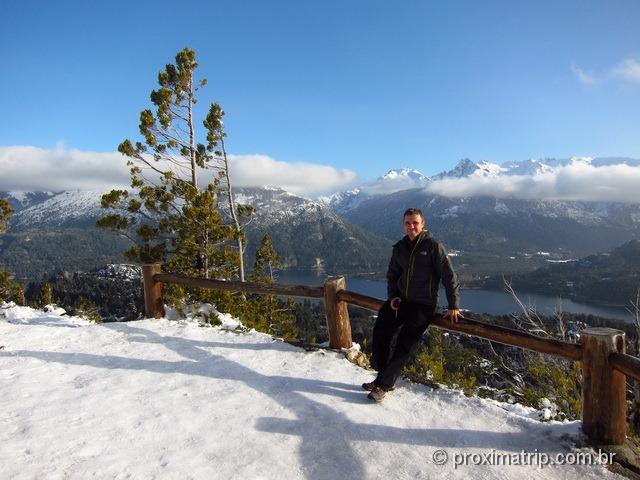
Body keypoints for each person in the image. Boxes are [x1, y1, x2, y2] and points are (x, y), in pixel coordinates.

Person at [364, 208, 462, 402]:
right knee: (381, 331)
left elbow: (449, 276)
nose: (411, 227)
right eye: (408, 223)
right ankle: (383, 376)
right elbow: (393, 274)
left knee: (404, 343)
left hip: (423, 304)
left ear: (423, 224)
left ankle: (383, 385)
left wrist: (453, 305)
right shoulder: (400, 247)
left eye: (415, 223)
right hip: (401, 301)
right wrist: (393, 297)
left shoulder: (433, 246)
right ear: (403, 224)